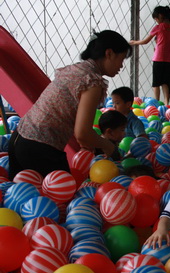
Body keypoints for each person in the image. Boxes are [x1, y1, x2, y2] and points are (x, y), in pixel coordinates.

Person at [8, 30, 132, 179]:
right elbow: (82, 134)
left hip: (19, 139)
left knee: (19, 198)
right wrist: (109, 146)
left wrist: (92, 142)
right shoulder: (93, 81)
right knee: (64, 198)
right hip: (40, 148)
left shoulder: (76, 69)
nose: (122, 66)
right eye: (122, 59)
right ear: (109, 53)